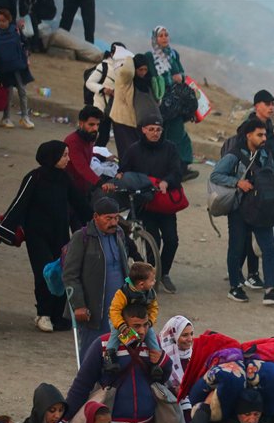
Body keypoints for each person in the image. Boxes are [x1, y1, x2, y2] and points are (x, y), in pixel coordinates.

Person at [0, 140, 90, 332]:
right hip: (37, 236)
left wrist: (97, 219)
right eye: (64, 155)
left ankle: (57, 316)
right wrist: (0, 234)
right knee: (45, 273)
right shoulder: (34, 177)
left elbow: (79, 204)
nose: (68, 159)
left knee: (62, 272)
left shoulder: (64, 178)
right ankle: (43, 314)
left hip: (60, 234)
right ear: (52, 157)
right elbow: (18, 205)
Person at [210, 118, 274, 306]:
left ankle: (270, 290)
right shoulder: (234, 155)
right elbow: (216, 174)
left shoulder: (266, 154)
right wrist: (237, 182)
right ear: (248, 135)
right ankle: (235, 286)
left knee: (268, 249)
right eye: (259, 135)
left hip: (261, 208)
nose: (263, 138)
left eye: (264, 135)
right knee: (236, 247)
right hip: (239, 208)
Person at [66, 303, 170, 423]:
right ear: (122, 325)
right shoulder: (102, 345)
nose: (142, 331)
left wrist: (163, 361)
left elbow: (162, 380)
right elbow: (82, 385)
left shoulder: (153, 345)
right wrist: (64, 419)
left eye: (145, 325)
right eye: (136, 326)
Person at [62, 195, 138, 360]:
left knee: (124, 349)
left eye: (116, 217)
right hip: (94, 309)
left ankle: (116, 383)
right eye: (108, 218)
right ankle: (88, 385)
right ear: (96, 217)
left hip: (120, 306)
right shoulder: (82, 238)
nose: (113, 222)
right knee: (93, 352)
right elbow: (70, 275)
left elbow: (123, 267)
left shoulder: (118, 233)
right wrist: (79, 305)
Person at [119, 114, 183, 292]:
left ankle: (164, 273)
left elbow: (177, 171)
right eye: (151, 129)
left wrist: (166, 182)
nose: (155, 133)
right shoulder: (133, 150)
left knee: (172, 240)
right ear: (143, 130)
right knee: (152, 240)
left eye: (158, 129)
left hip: (164, 202)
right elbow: (124, 170)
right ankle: (150, 276)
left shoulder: (170, 148)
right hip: (144, 205)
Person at [149, 26, 194, 179]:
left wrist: (179, 76)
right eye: (160, 35)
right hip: (161, 101)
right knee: (164, 134)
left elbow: (181, 72)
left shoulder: (174, 54)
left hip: (176, 101)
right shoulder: (152, 57)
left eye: (166, 35)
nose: (164, 38)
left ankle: (181, 168)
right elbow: (153, 79)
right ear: (155, 39)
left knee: (178, 134)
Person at [102, 261, 160, 372]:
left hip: (141, 320)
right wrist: (121, 326)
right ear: (142, 284)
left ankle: (155, 362)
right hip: (120, 319)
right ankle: (109, 358)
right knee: (116, 334)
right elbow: (114, 310)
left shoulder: (150, 293)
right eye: (152, 280)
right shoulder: (123, 293)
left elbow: (154, 308)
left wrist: (150, 322)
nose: (155, 282)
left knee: (151, 335)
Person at [109, 52, 159, 161]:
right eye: (140, 69)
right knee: (126, 151)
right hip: (121, 120)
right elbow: (126, 70)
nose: (143, 73)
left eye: (145, 70)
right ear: (134, 68)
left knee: (136, 152)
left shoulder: (146, 82)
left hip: (134, 122)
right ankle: (125, 174)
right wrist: (130, 60)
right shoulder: (126, 80)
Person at [0, 7, 33, 128]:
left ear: (9, 20)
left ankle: (25, 117)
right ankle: (6, 117)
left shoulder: (16, 31)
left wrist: (27, 58)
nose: (2, 23)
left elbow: (25, 45)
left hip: (19, 66)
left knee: (22, 91)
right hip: (5, 70)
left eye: (4, 20)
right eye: (0, 21)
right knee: (8, 93)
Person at [158, 315, 193, 399]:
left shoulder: (193, 355)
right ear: (173, 336)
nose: (190, 339)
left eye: (191, 334)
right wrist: (173, 391)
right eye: (185, 335)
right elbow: (157, 386)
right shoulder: (161, 357)